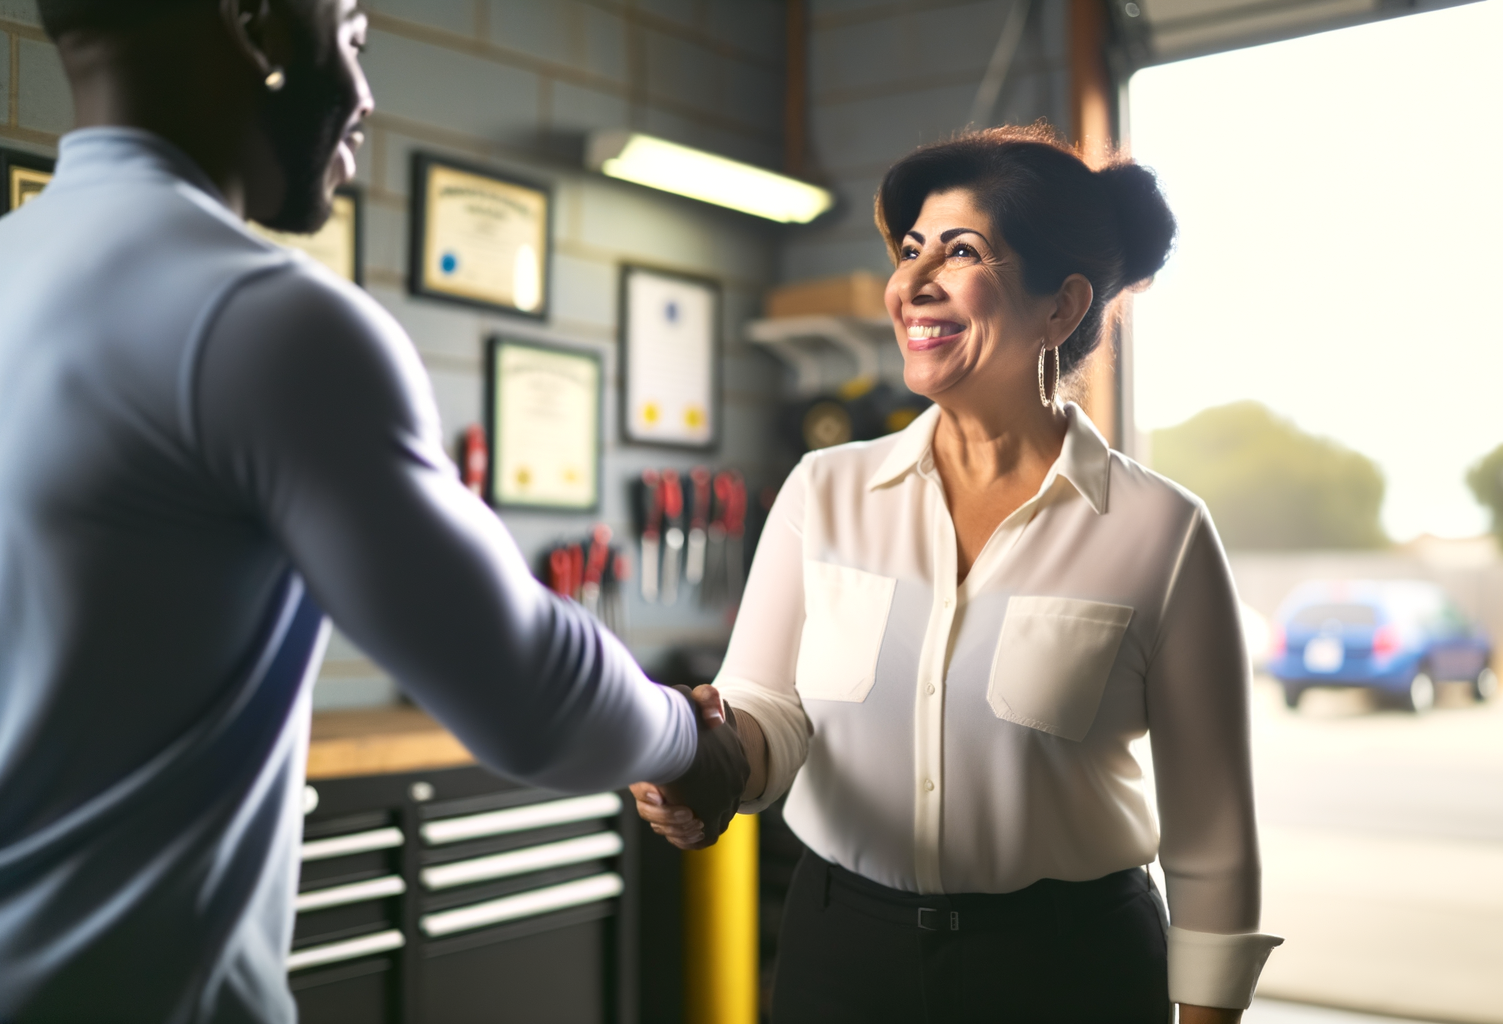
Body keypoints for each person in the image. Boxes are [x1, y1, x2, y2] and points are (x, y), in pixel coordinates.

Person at [0, 1, 743, 1021]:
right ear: (258, 25)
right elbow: (527, 685)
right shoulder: (264, 318)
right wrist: (691, 743)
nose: (364, 96)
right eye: (350, 38)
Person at [634, 124, 1282, 1023]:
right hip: (842, 956)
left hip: (1069, 967)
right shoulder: (825, 489)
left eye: (962, 250)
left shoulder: (1161, 533)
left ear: (1061, 308)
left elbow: (1212, 839)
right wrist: (702, 758)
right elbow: (769, 709)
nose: (913, 282)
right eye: (910, 251)